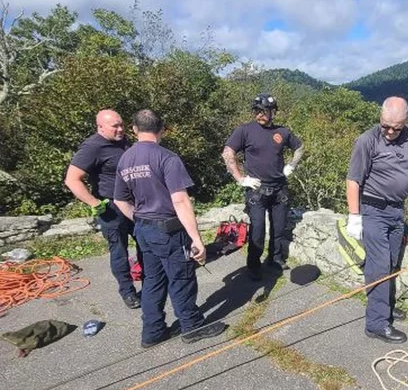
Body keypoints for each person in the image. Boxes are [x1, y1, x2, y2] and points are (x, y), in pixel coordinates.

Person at [113, 109, 226, 347]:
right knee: (181, 277)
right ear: (162, 128)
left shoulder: (125, 159)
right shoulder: (167, 158)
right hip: (169, 230)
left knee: (152, 280)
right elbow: (180, 200)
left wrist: (141, 220)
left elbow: (120, 200)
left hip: (143, 229)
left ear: (134, 129)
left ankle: (152, 332)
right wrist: (196, 239)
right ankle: (192, 326)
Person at [346, 97, 408, 344]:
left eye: (397, 127)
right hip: (372, 210)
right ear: (380, 118)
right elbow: (353, 180)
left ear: (406, 122)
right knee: (380, 266)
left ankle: (385, 308)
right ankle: (376, 324)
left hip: (397, 210)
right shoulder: (367, 141)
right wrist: (354, 216)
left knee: (392, 262)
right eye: (386, 126)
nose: (391, 132)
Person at [222, 93, 304, 280]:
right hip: (257, 189)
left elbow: (299, 147)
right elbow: (227, 153)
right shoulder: (245, 131)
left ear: (273, 112)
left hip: (279, 188)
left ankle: (275, 259)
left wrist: (292, 164)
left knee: (279, 227)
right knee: (257, 231)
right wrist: (240, 178)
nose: (260, 114)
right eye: (257, 111)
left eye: (264, 111)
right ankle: (253, 265)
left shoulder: (283, 132)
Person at [64, 109, 141, 310]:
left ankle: (151, 282)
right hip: (111, 209)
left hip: (134, 203)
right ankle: (128, 292)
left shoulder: (123, 142)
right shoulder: (92, 147)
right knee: (119, 251)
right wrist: (93, 203)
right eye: (115, 126)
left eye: (121, 124)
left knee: (146, 243)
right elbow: (72, 179)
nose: (120, 129)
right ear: (100, 127)